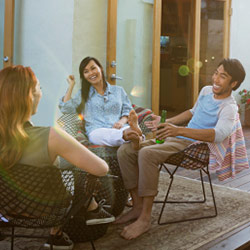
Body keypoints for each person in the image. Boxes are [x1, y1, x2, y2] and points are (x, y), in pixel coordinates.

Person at [115, 58, 246, 240]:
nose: (215, 79)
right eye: (216, 73)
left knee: (146, 153)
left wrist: (179, 130)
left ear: (234, 83)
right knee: (126, 150)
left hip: (193, 147)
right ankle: (137, 205)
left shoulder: (229, 108)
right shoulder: (206, 91)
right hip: (176, 138)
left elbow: (219, 134)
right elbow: (192, 112)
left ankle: (145, 218)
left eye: (222, 76)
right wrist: (166, 122)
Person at [0, 65, 115, 250]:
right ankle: (87, 212)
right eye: (39, 88)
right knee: (80, 170)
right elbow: (101, 168)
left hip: (7, 211)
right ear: (29, 96)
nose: (41, 93)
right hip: (50, 213)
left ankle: (60, 235)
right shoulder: (51, 136)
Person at [58, 56, 142, 149]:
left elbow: (128, 110)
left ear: (100, 68)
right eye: (86, 72)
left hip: (120, 127)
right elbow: (65, 108)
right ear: (84, 77)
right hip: (97, 130)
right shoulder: (83, 94)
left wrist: (121, 122)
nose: (91, 73)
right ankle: (130, 136)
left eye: (93, 68)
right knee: (99, 136)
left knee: (126, 129)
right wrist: (71, 85)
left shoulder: (118, 91)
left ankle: (131, 134)